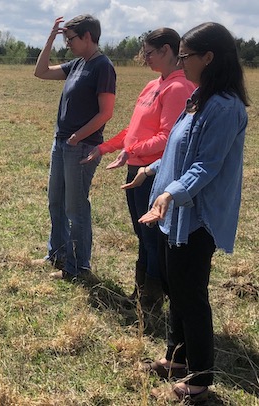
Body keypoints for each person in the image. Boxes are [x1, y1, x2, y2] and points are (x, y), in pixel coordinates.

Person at [123, 22, 249, 402]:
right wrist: (152, 170)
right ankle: (176, 359)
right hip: (175, 214)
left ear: (208, 58)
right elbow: (179, 153)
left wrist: (169, 195)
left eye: (185, 56)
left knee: (191, 295)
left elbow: (205, 166)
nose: (180, 63)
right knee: (176, 288)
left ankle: (200, 379)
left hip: (197, 218)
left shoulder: (224, 108)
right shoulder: (198, 100)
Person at [82, 28, 196, 313]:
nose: (145, 59)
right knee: (143, 235)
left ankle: (152, 300)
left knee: (152, 236)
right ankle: (142, 292)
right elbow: (134, 131)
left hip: (156, 173)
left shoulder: (179, 88)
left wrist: (132, 152)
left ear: (168, 50)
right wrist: (107, 147)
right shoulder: (152, 85)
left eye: (149, 53)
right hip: (136, 170)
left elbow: (169, 137)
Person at [33, 15, 116, 281]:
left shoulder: (102, 67)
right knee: (55, 201)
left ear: (88, 37)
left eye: (71, 38)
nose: (67, 43)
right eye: (65, 39)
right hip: (62, 143)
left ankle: (79, 267)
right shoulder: (78, 64)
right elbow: (41, 72)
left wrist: (77, 137)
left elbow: (106, 113)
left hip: (81, 147)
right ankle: (57, 254)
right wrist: (50, 38)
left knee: (75, 208)